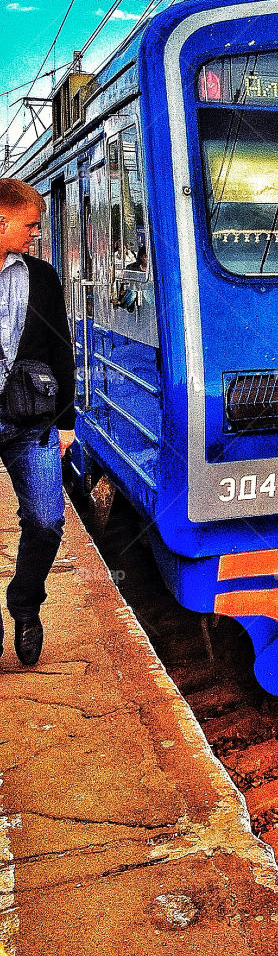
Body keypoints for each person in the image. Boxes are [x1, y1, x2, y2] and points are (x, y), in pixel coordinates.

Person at [0, 180, 75, 666]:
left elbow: (61, 350)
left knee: (47, 522)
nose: (35, 232)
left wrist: (66, 422)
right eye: (29, 225)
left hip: (32, 421)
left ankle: (25, 605)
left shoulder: (42, 277)